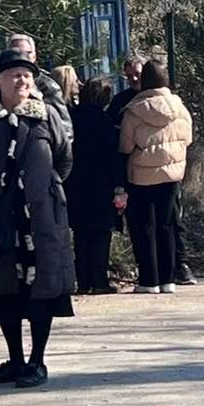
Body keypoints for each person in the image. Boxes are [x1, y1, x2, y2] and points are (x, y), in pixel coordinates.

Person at [0, 49, 74, 387]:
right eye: (14, 74)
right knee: (4, 291)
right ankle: (16, 360)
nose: (22, 79)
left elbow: (64, 160)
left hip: (40, 218)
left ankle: (37, 361)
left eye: (27, 74)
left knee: (41, 290)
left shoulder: (45, 115)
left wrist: (43, 189)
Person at [119, 61, 195, 292]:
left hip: (141, 174)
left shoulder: (134, 109)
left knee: (145, 226)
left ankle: (149, 280)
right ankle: (168, 278)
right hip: (172, 173)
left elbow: (125, 145)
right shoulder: (179, 107)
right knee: (168, 224)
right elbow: (188, 138)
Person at [69, 77, 127, 292]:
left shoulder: (72, 118)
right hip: (101, 184)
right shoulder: (105, 122)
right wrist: (119, 185)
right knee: (101, 234)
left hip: (75, 183)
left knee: (81, 234)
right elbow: (113, 157)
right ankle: (99, 280)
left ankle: (83, 281)